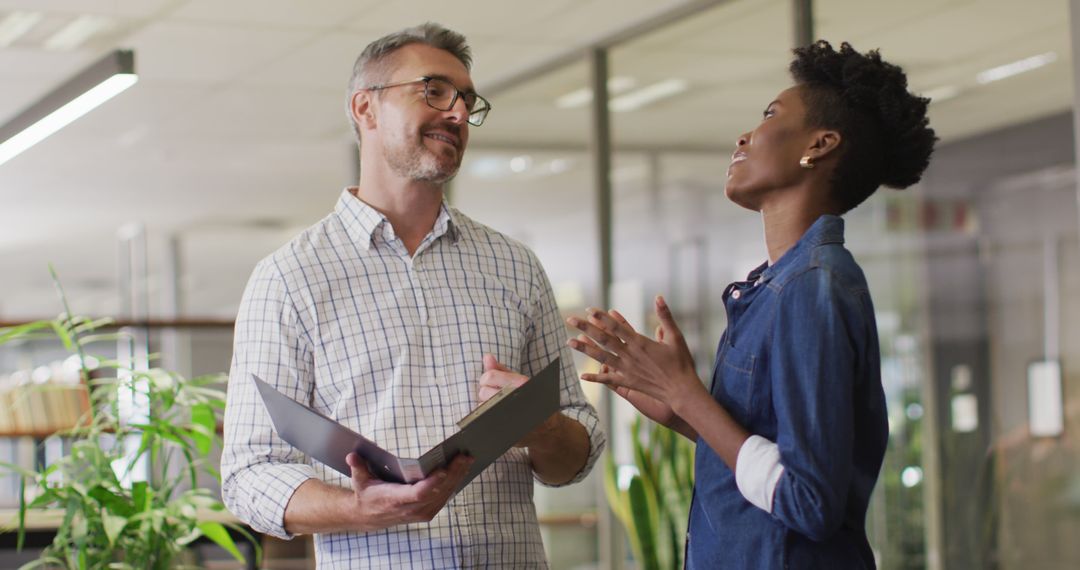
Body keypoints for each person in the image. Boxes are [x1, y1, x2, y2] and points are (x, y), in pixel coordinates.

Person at [221, 22, 604, 568]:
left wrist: (542, 429)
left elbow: (575, 458)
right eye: (435, 91)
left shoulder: (516, 268)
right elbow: (248, 475)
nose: (457, 113)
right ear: (365, 108)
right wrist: (363, 509)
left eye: (467, 101)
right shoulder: (287, 278)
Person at [566, 40, 936, 569]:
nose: (745, 134)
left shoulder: (812, 287)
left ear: (821, 144)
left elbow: (809, 503)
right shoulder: (779, 285)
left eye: (769, 116)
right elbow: (773, 460)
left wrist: (688, 394)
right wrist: (679, 410)